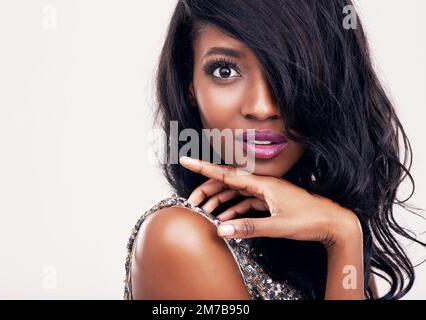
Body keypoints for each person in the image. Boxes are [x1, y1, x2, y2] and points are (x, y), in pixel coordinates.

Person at [123, 0, 424, 300]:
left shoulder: (321, 223)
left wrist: (342, 233)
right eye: (225, 70)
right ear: (189, 84)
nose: (262, 107)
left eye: (290, 68)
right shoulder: (179, 238)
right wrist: (343, 234)